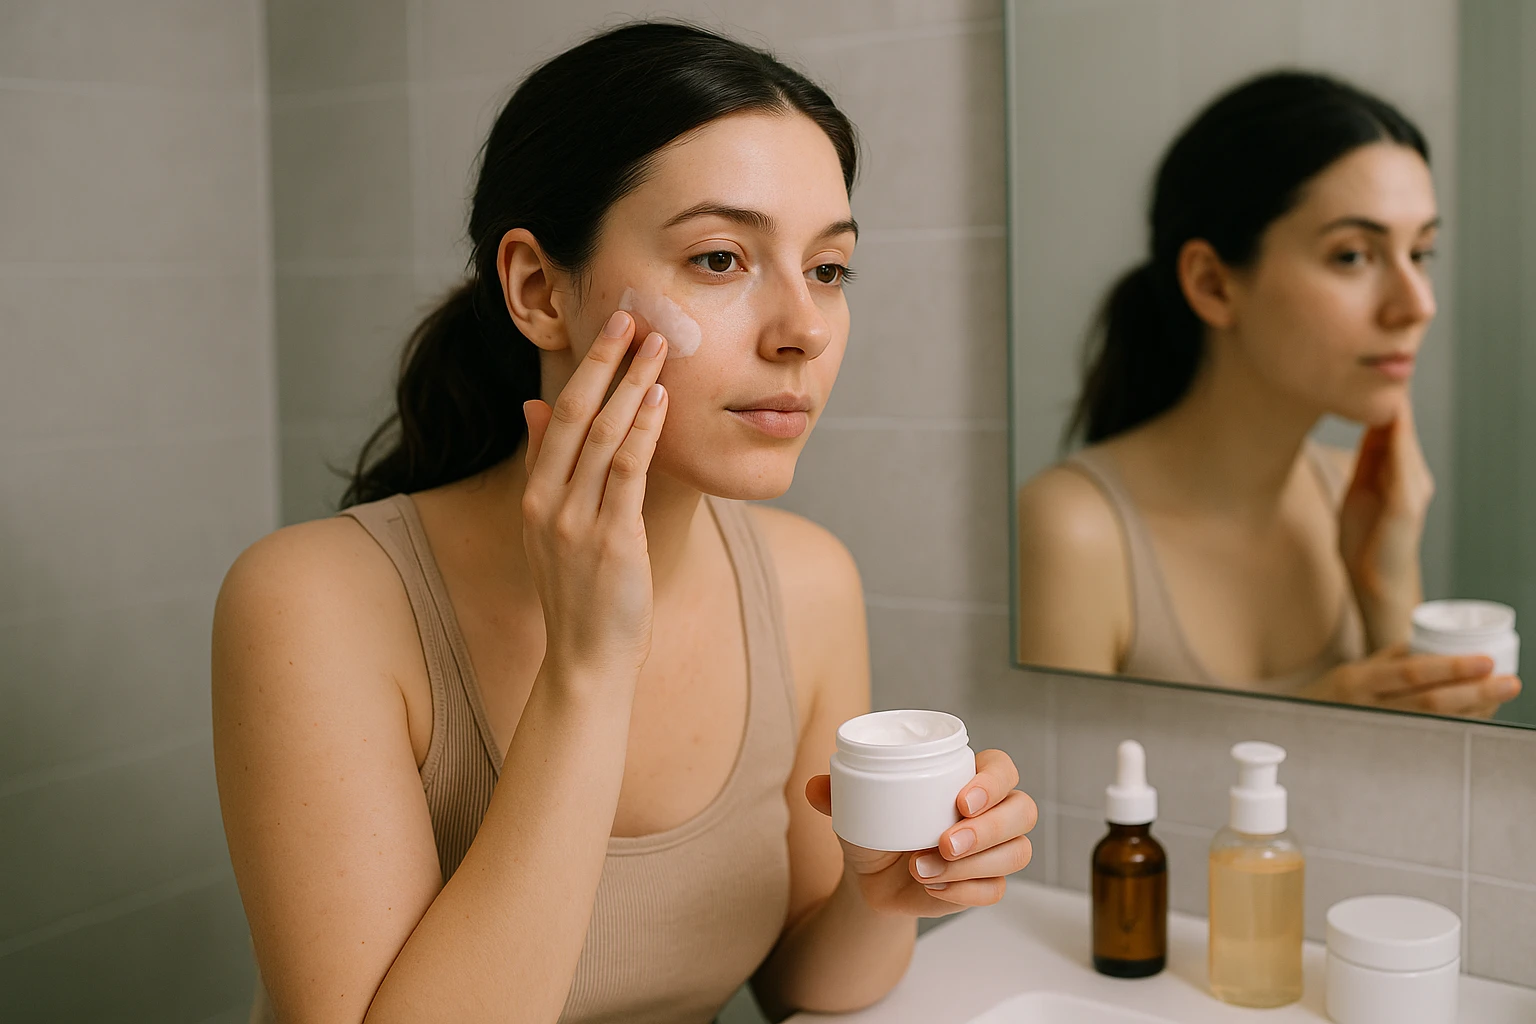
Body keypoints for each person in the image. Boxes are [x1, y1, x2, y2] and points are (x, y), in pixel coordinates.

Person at [212, 21, 1036, 1024]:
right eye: (722, 257)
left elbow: (802, 987)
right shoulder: (312, 603)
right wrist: (588, 669)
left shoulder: (809, 583)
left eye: (827, 268)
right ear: (536, 289)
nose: (804, 331)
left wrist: (888, 894)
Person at [1016, 70, 1521, 718]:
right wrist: (1318, 715)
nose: (1417, 305)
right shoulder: (1077, 529)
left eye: (1421, 253)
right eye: (1352, 256)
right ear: (1214, 284)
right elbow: (1064, 800)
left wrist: (1385, 588)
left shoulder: (1357, 500)